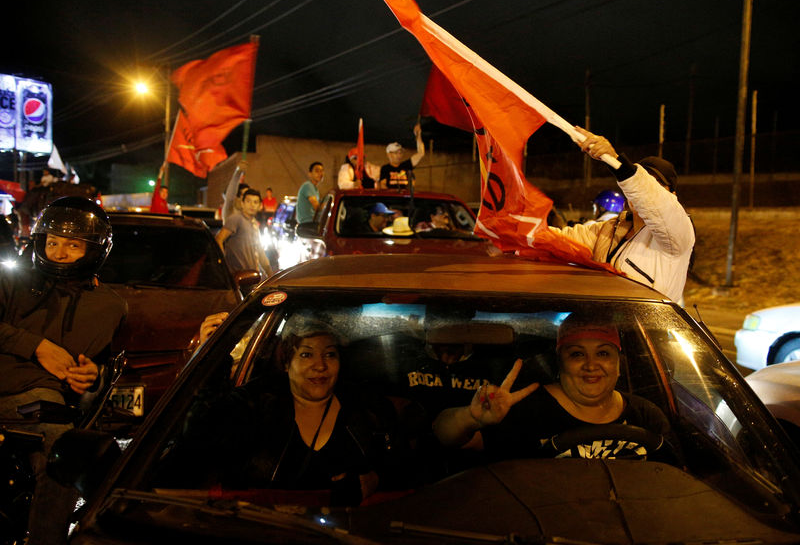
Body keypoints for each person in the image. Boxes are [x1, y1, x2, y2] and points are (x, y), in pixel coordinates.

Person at [167, 315, 399, 506]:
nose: (320, 365)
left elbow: (407, 471)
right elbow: (196, 439)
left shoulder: (368, 410)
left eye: (330, 354)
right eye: (306, 354)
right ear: (287, 362)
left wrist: (377, 479)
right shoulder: (254, 405)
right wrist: (212, 358)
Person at [0, 196, 127, 544]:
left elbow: (103, 368)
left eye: (72, 245)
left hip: (36, 404)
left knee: (66, 454)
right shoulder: (10, 280)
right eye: (52, 242)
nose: (58, 252)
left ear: (95, 250)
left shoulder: (109, 305)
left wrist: (92, 379)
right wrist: (36, 346)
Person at [432, 313, 672, 461]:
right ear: (560, 362)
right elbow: (443, 436)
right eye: (577, 354)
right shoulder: (524, 411)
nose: (591, 365)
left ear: (618, 363)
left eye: (603, 353)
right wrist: (470, 418)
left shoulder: (647, 416)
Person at [551, 127, 695, 303]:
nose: (640, 192)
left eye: (657, 184)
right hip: (607, 325)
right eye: (644, 180)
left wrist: (615, 161)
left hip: (648, 329)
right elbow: (557, 240)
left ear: (672, 196)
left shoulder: (679, 234)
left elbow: (654, 200)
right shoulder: (610, 228)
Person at [216, 188, 272, 278]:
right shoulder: (236, 219)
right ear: (242, 203)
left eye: (255, 202)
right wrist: (222, 264)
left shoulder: (254, 223)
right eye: (248, 201)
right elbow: (219, 239)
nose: (252, 205)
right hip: (236, 278)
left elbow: (260, 253)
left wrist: (270, 276)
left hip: (252, 278)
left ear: (260, 205)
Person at [378, 123, 425, 190]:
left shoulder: (406, 166)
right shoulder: (385, 169)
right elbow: (382, 185)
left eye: (400, 153)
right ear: (389, 154)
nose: (399, 155)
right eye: (396, 153)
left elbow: (421, 153)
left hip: (405, 198)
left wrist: (418, 135)